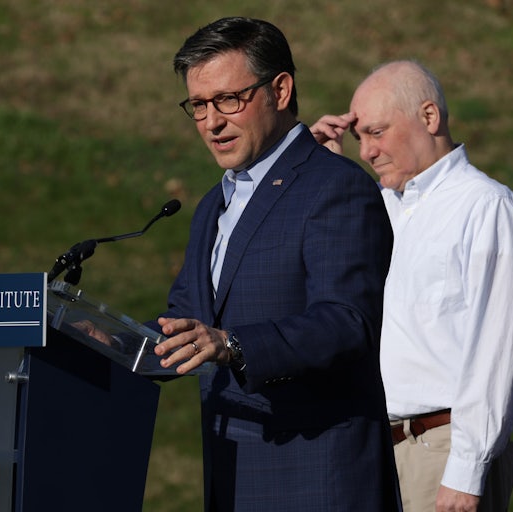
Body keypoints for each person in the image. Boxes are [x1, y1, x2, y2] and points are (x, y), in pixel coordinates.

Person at [149, 17, 402, 512]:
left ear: (280, 90)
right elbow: (185, 323)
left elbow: (346, 322)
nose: (212, 122)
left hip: (317, 479)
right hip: (234, 476)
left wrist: (231, 345)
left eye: (228, 100)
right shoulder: (211, 206)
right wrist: (101, 341)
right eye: (198, 105)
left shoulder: (336, 187)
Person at [310, 60, 513, 512]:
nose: (367, 151)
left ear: (430, 117)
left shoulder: (486, 207)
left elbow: (499, 348)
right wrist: (318, 170)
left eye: (376, 132)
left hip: (441, 456)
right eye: (360, 138)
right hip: (371, 454)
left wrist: (465, 472)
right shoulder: (378, 208)